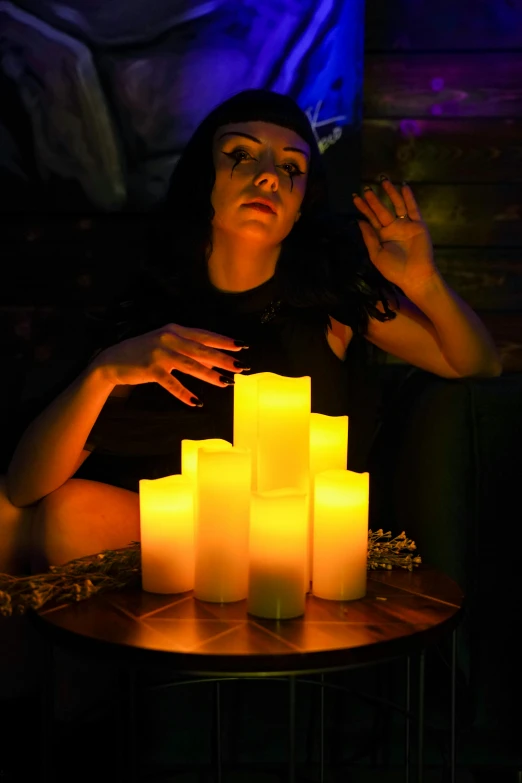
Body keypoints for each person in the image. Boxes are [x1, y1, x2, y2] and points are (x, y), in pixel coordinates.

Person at [0, 89, 501, 576]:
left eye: (291, 167)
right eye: (241, 155)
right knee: (15, 515)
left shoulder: (328, 302)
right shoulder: (150, 313)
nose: (268, 179)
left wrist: (424, 283)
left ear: (303, 203)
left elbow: (476, 362)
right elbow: (24, 486)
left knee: (71, 511)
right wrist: (104, 372)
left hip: (271, 546)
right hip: (134, 534)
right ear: (204, 180)